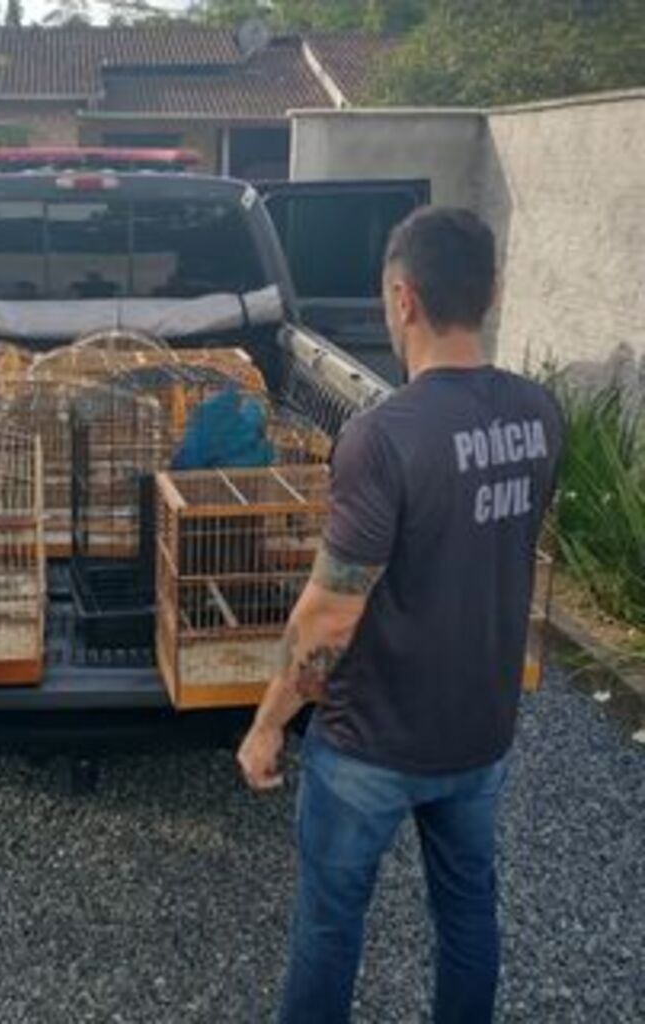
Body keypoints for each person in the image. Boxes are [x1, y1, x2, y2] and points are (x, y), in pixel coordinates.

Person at [237, 207, 562, 1024]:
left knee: (330, 926)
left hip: (370, 746)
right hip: (480, 734)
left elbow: (330, 616)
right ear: (491, 293)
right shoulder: (540, 416)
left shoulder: (383, 437)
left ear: (402, 298)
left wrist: (270, 721)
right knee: (467, 916)